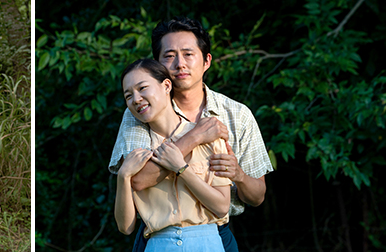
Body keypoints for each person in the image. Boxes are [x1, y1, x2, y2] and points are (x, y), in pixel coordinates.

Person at [108, 17, 273, 252]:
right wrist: (195, 137)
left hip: (215, 233)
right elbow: (137, 179)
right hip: (156, 236)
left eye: (188, 54)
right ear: (158, 65)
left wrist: (239, 174)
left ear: (206, 61)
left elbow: (257, 196)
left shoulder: (237, 114)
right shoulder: (141, 111)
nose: (179, 64)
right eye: (169, 56)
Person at [115, 59, 231, 251]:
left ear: (167, 85)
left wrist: (181, 169)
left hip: (206, 242)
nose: (136, 99)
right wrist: (123, 176)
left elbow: (221, 207)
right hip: (158, 244)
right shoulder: (136, 152)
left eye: (142, 88)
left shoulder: (209, 137)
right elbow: (125, 227)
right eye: (128, 96)